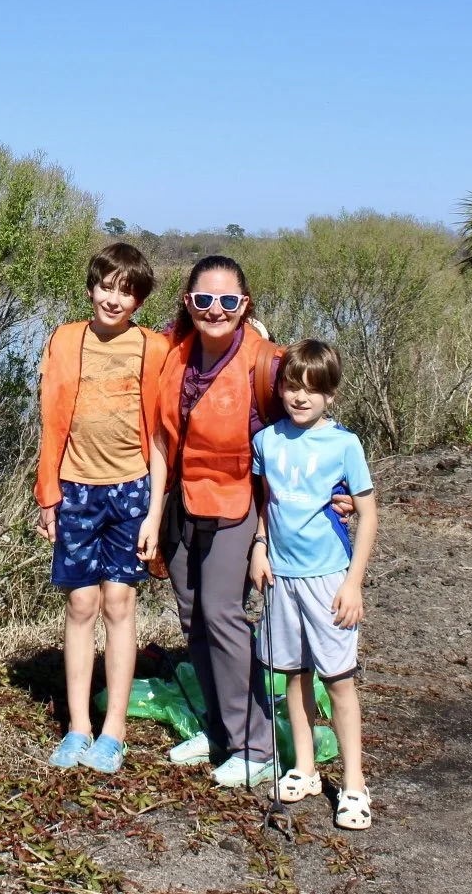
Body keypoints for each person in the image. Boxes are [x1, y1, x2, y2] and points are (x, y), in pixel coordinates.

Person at [35, 241, 170, 774]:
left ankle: (113, 730)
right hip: (76, 491)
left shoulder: (153, 349)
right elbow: (48, 422)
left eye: (127, 291)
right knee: (80, 606)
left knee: (119, 603)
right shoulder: (66, 340)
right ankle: (77, 727)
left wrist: (155, 512)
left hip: (131, 490)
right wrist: (48, 493)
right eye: (107, 286)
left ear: (139, 300)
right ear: (92, 287)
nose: (114, 299)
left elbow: (162, 435)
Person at [157, 254, 285, 787]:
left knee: (222, 614)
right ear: (188, 303)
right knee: (192, 616)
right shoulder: (172, 354)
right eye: (204, 300)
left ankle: (258, 745)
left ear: (245, 305)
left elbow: (302, 440)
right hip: (183, 503)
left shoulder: (268, 366)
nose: (216, 310)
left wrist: (263, 538)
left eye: (228, 301)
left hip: (239, 506)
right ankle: (221, 731)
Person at [248, 338, 379, 830]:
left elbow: (367, 514)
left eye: (312, 389)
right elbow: (266, 504)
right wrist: (259, 548)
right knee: (294, 676)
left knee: (339, 682)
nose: (300, 397)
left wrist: (353, 583)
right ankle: (304, 768)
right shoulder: (267, 441)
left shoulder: (345, 444)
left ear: (331, 394)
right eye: (291, 386)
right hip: (281, 579)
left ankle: (353, 784)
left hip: (329, 580)